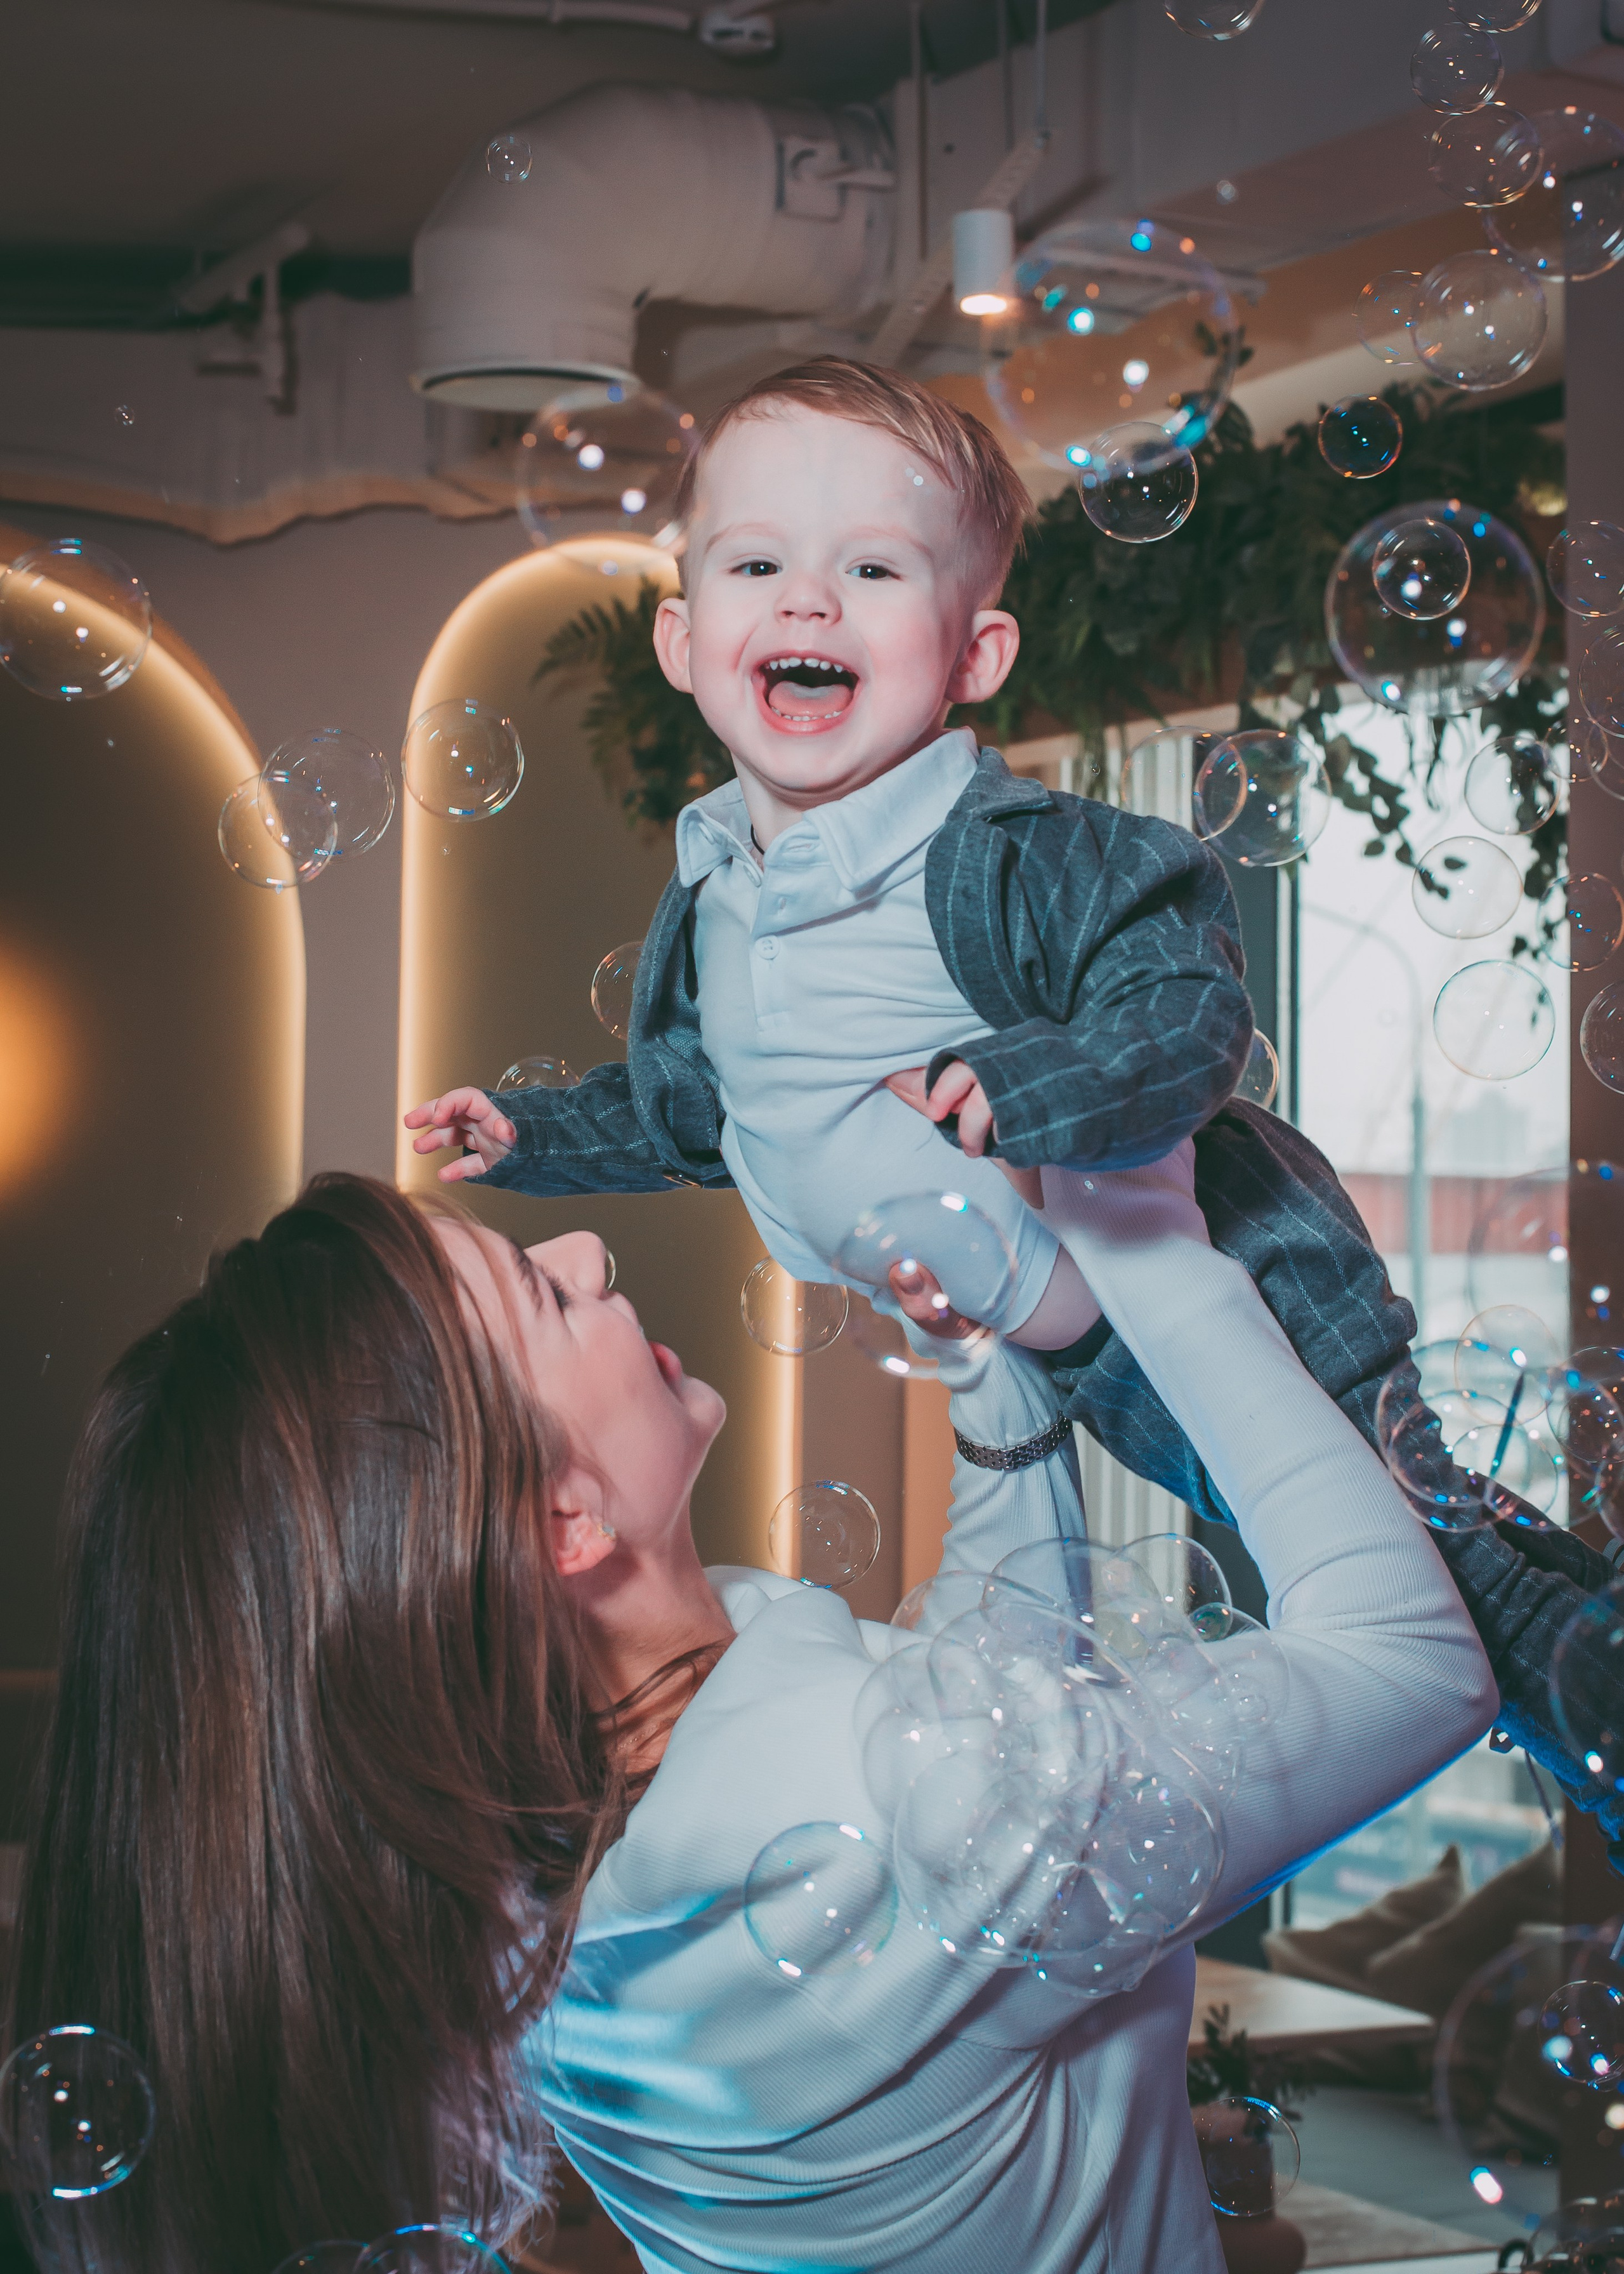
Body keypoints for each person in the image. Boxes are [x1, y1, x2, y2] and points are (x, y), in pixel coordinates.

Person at [404, 353, 1610, 1818]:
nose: (806, 601)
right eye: (757, 562)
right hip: (1079, 1342)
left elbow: (1182, 1003)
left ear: (972, 658)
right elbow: (695, 1106)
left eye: (869, 568)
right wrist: (532, 1131)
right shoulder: (715, 888)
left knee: (1447, 1584)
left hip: (1213, 1270)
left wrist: (1034, 1084)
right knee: (1442, 1545)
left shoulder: (1010, 854)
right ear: (680, 636)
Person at [13, 1164, 1496, 2274]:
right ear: (562, 1517)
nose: (588, 1246)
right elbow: (1411, 1660)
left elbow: (969, 1695)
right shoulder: (875, 1814)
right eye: (541, 1292)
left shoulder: (553, 1851)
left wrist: (989, 1375)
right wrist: (1135, 1210)